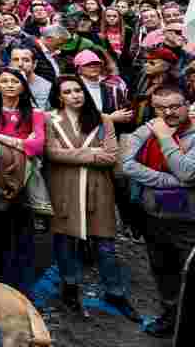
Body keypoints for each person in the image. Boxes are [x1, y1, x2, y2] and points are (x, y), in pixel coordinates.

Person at [45, 75, 138, 320]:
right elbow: (51, 153)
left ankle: (115, 293)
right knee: (65, 242)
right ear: (58, 96)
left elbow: (111, 156)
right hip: (63, 189)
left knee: (105, 245)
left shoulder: (103, 119)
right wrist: (91, 152)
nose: (75, 95)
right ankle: (70, 288)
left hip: (99, 189)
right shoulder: (49, 120)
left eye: (78, 90)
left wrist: (72, 154)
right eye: (68, 91)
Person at [121, 85, 195, 338]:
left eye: (175, 106)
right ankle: (169, 317)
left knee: (185, 273)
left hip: (186, 221)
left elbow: (187, 172)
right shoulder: (148, 129)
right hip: (152, 214)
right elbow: (126, 164)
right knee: (162, 271)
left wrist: (164, 137)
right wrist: (169, 180)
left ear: (187, 104)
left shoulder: (189, 134)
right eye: (161, 108)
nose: (168, 113)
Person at [0, 68, 45, 292]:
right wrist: (21, 142)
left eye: (14, 81)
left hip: (25, 182)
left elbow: (37, 146)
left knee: (23, 233)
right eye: (4, 81)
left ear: (23, 86)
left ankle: (22, 285)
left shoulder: (35, 113)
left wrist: (2, 138)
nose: (9, 85)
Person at [7, 46, 52, 112]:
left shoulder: (45, 87)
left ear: (34, 64)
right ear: (10, 63)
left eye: (26, 60)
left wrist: (23, 85)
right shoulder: (3, 82)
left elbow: (37, 114)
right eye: (15, 60)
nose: (20, 64)